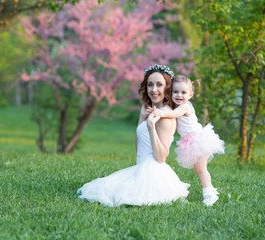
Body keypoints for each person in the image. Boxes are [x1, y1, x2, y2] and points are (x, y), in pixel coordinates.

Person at [77, 64, 190, 207]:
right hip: (141, 166)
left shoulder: (165, 117)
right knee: (104, 186)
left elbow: (161, 157)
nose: (153, 89)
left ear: (168, 87)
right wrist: (142, 118)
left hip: (153, 172)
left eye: (159, 85)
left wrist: (151, 127)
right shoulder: (153, 111)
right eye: (150, 84)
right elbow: (139, 149)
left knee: (115, 193)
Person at [147, 75, 225, 206]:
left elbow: (174, 114)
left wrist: (159, 113)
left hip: (198, 139)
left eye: (183, 92)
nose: (179, 95)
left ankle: (209, 194)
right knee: (198, 168)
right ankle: (210, 190)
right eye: (175, 92)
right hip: (190, 141)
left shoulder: (185, 107)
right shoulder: (177, 106)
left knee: (201, 168)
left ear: (190, 95)